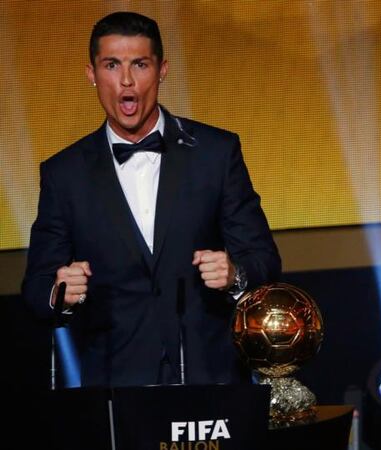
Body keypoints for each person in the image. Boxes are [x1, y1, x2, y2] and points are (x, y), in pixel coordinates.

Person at [22, 11, 281, 387]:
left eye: (139, 64)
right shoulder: (64, 174)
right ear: (91, 73)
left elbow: (266, 261)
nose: (126, 80)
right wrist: (58, 293)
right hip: (117, 386)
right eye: (112, 65)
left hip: (211, 379)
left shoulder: (215, 153)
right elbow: (35, 288)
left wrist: (234, 274)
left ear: (161, 70)